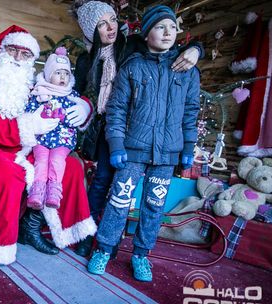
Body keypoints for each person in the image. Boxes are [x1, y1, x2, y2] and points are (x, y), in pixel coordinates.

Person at [71, 0, 203, 257]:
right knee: (101, 183)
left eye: (112, 19)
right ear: (90, 32)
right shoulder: (87, 60)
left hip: (135, 129)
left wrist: (197, 49)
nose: (111, 27)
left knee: (125, 188)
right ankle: (88, 235)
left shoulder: (131, 45)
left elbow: (168, 48)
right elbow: (78, 93)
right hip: (106, 127)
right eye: (102, 24)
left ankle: (115, 239)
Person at [0, 25, 97, 265]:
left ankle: (32, 226)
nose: (17, 58)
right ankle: (2, 244)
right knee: (8, 174)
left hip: (30, 148)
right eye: (13, 50)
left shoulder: (34, 85)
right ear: (2, 51)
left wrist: (85, 106)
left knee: (72, 167)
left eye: (25, 54)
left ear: (32, 60)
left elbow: (63, 91)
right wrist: (26, 126)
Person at [25, 47, 88, 210]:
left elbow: (75, 119)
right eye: (58, 73)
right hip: (42, 138)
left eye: (66, 74)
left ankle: (54, 190)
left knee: (57, 160)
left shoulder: (70, 96)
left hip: (62, 140)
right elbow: (29, 112)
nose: (63, 77)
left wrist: (64, 116)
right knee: (41, 160)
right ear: (48, 75)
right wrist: (39, 117)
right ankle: (37, 191)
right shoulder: (39, 92)